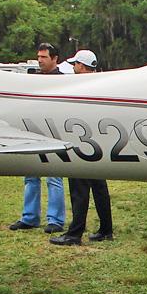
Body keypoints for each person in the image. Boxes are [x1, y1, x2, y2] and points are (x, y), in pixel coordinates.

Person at [51, 49, 114, 246]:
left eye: (75, 64)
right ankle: (106, 229)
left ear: (81, 66)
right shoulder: (102, 83)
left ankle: (74, 233)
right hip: (98, 143)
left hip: (82, 142)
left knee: (79, 188)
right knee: (99, 188)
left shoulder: (82, 85)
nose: (73, 68)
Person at [9, 42, 66, 233]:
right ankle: (30, 217)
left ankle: (55, 219)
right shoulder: (33, 79)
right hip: (32, 131)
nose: (40, 61)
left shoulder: (62, 81)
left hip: (52, 132)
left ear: (54, 59)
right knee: (30, 175)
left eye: (44, 57)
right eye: (39, 57)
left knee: (54, 178)